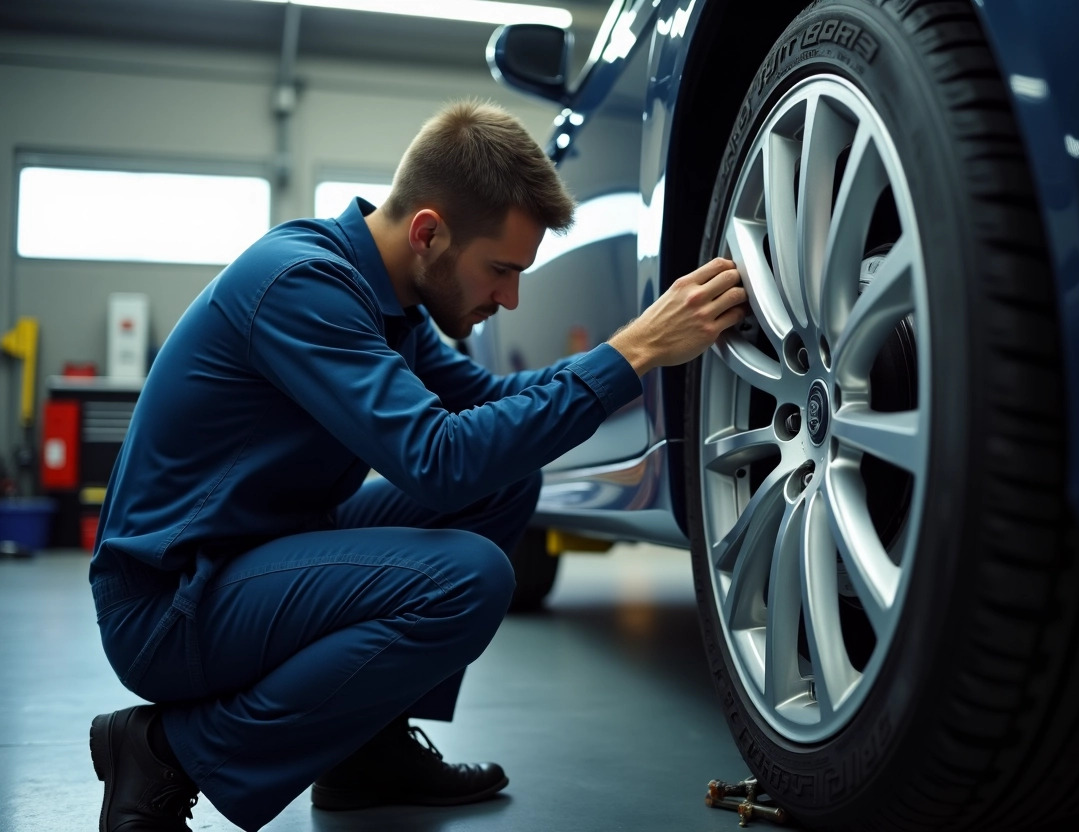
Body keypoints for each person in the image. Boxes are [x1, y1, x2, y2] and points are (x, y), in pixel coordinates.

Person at [87, 99, 747, 832]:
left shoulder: (392, 302)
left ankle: (366, 752)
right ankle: (165, 751)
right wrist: (633, 355)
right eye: (500, 269)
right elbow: (439, 461)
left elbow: (490, 404)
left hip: (258, 552)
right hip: (171, 605)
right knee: (470, 577)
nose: (510, 297)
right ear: (429, 232)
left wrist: (633, 350)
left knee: (505, 481)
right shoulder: (301, 284)